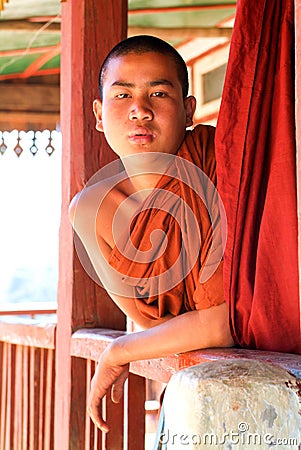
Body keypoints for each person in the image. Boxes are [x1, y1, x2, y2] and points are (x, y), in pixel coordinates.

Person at [69, 35, 234, 433]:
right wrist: (133, 344)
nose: (139, 111)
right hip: (191, 389)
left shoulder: (221, 163)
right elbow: (152, 325)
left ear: (189, 108)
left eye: (158, 92)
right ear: (98, 112)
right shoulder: (91, 211)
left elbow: (224, 324)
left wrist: (118, 351)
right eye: (122, 95)